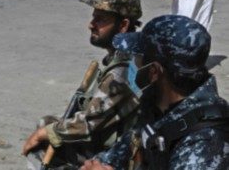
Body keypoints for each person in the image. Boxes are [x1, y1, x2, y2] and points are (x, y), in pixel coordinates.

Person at [81, 15, 229, 170]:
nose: (132, 63)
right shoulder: (155, 106)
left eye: (137, 58)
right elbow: (117, 155)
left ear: (153, 71)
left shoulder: (206, 142)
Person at [22, 0, 143, 170]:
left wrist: (44, 134)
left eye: (100, 19)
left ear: (123, 25)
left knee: (41, 145)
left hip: (117, 152)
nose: (91, 25)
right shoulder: (127, 56)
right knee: (47, 123)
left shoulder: (122, 71)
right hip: (114, 138)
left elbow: (88, 122)